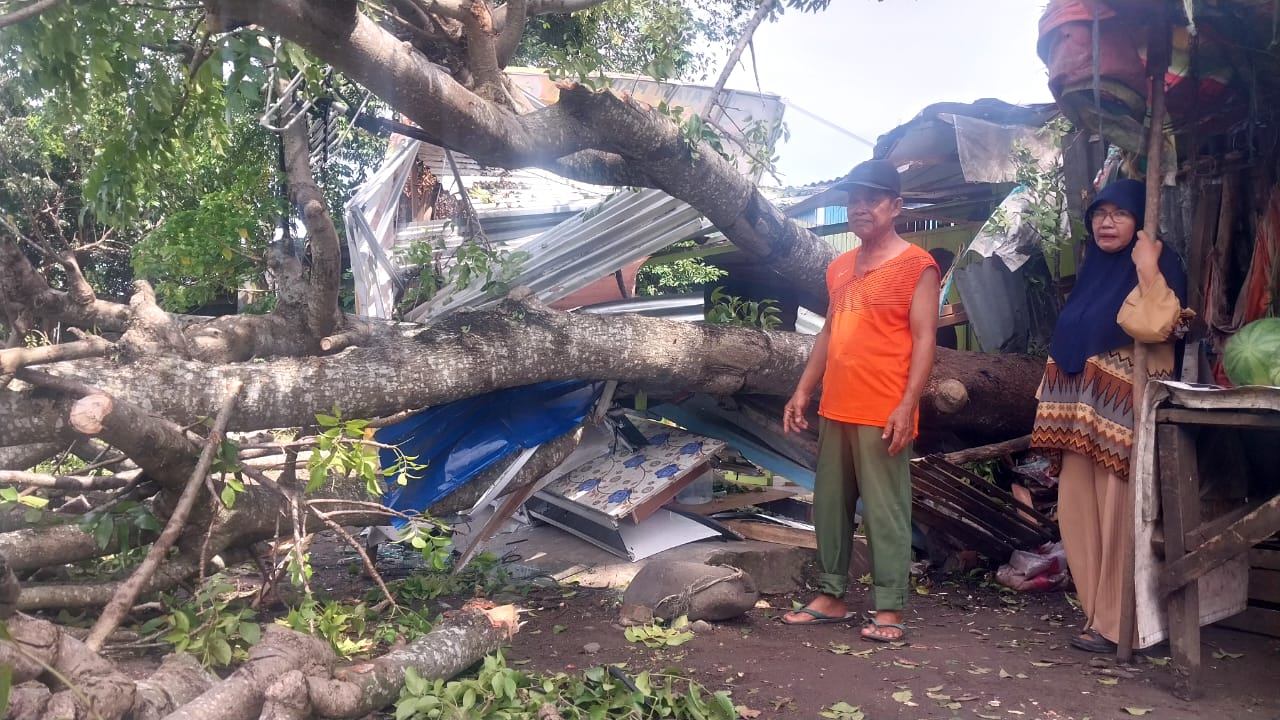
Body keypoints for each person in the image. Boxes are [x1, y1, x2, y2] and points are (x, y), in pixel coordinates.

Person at [781, 159, 940, 642]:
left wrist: (906, 405)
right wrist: (804, 389)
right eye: (853, 199)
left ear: (896, 206)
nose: (859, 208)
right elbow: (830, 331)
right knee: (829, 505)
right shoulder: (839, 267)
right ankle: (831, 595)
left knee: (885, 507)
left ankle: (889, 607)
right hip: (837, 405)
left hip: (883, 408)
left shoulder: (918, 266)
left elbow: (926, 341)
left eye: (871, 199)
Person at [1030, 178, 1187, 654]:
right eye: (1100, 213)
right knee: (1078, 518)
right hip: (1078, 418)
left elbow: (1156, 324)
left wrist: (1147, 268)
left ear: (1141, 221)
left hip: (1120, 418)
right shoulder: (1092, 271)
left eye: (1119, 213)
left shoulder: (1161, 267)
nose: (1107, 221)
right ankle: (1097, 615)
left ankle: (1125, 625)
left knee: (1120, 519)